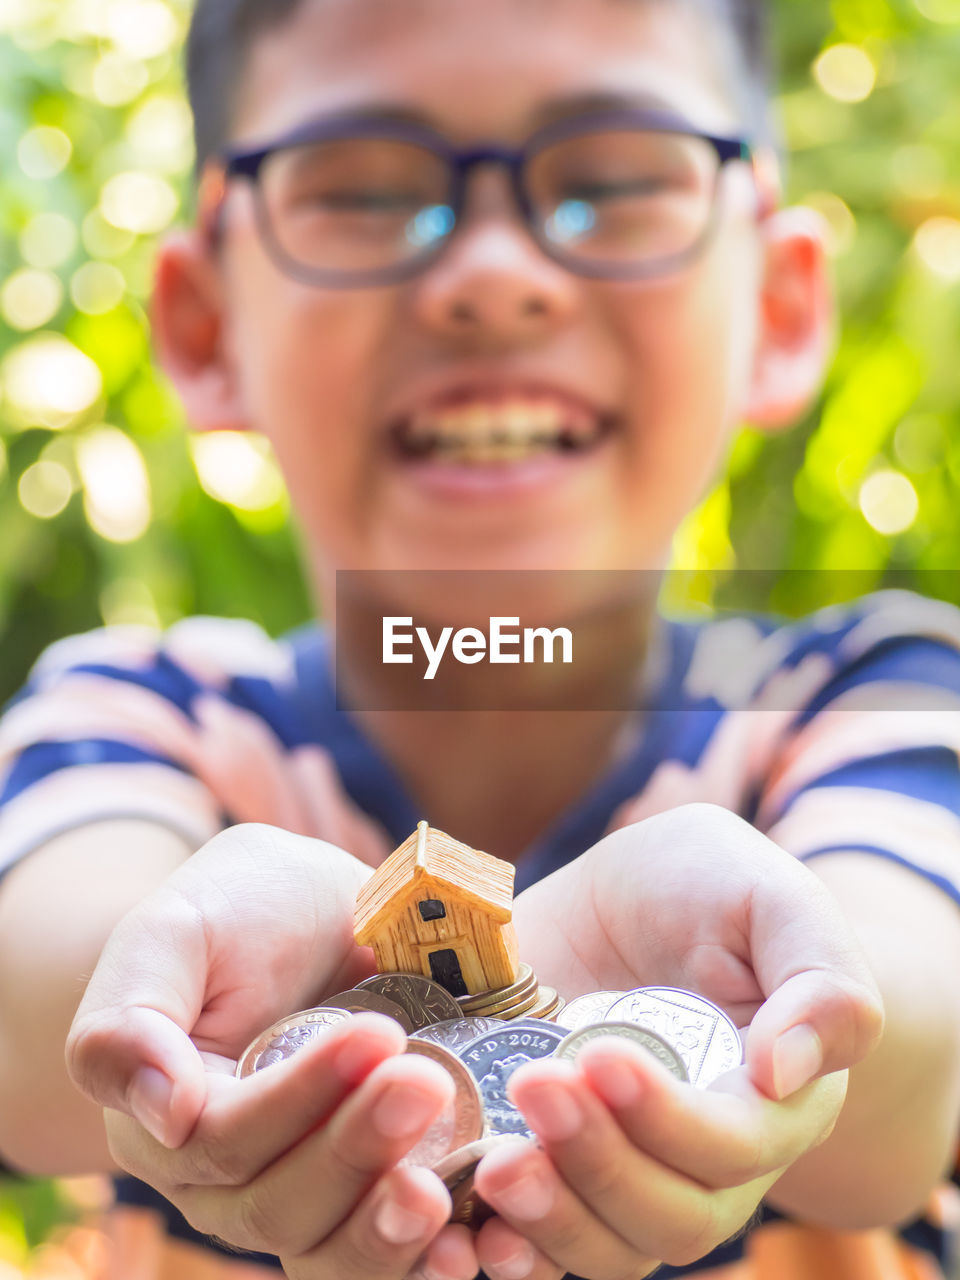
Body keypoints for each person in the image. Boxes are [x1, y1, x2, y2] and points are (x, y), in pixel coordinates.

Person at [1, 1, 959, 1278]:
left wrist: (787, 1018)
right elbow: (41, 1014)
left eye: (617, 180)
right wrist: (197, 1005)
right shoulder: (133, 711)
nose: (493, 273)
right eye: (361, 192)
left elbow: (908, 1043)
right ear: (203, 325)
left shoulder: (876, 697)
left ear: (780, 306)